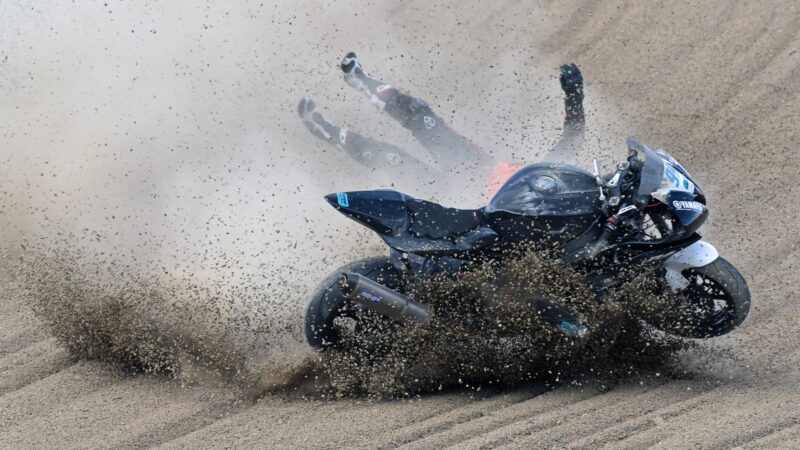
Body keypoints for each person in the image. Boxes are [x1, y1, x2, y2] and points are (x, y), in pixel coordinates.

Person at [298, 52, 586, 195]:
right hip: (476, 166)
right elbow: (571, 141)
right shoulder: (557, 181)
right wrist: (574, 97)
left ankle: (330, 133)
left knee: (391, 159)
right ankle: (362, 80)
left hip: (453, 203)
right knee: (422, 117)